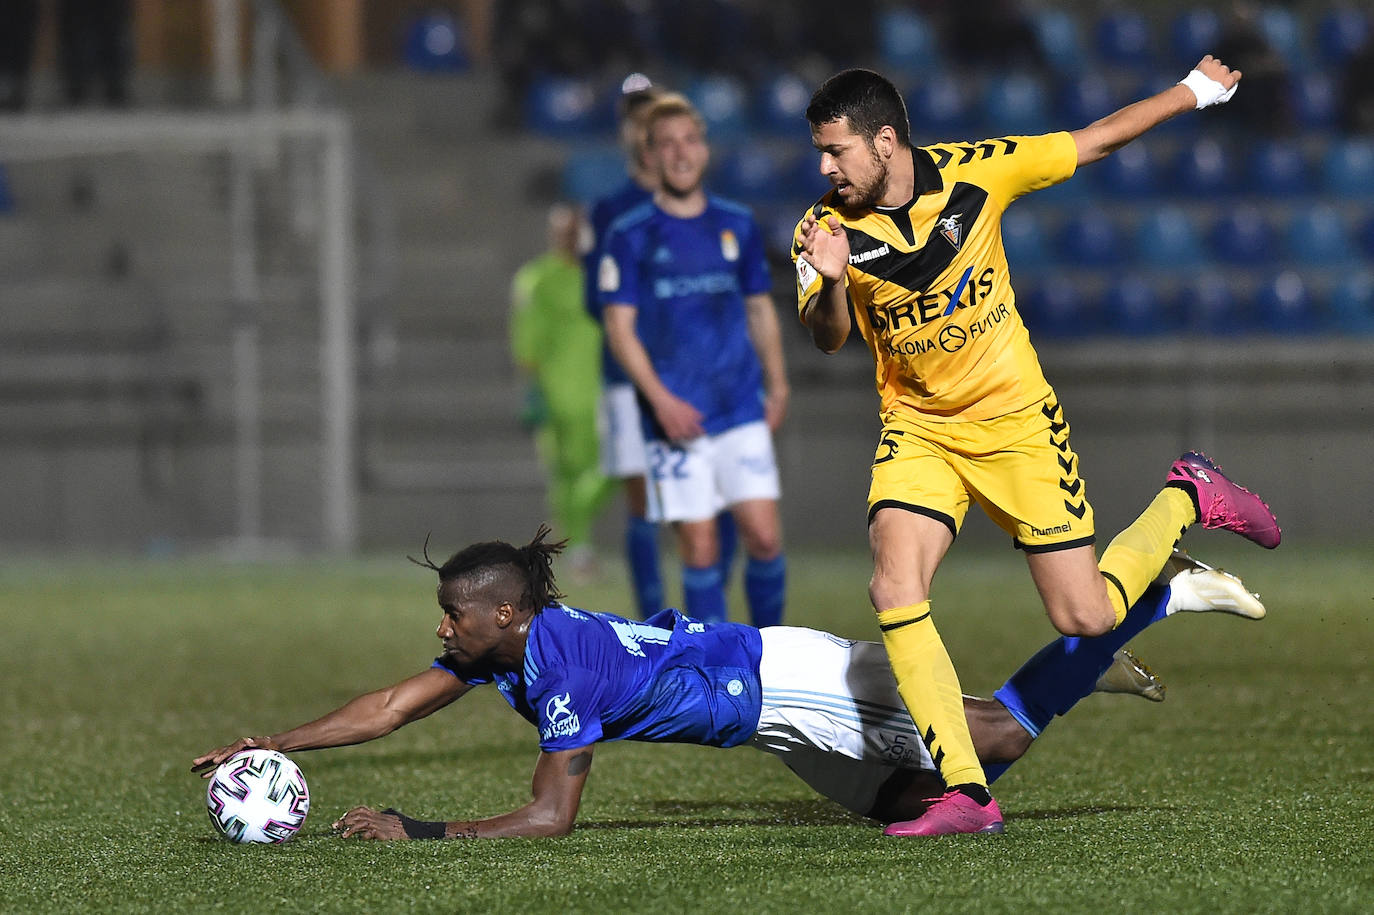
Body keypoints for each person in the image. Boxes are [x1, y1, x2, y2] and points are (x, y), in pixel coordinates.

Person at [792, 57, 1280, 835]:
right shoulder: (822, 229)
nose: (824, 168)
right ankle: (967, 792)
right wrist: (829, 280)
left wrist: (1192, 92)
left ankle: (1188, 493)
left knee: (1086, 615)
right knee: (894, 586)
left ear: (884, 142)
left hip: (1016, 425)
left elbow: (1093, 142)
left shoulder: (978, 174)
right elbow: (827, 338)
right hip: (921, 429)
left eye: (835, 150)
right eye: (820, 152)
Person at [190, 529, 1268, 839]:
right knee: (909, 806)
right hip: (767, 722)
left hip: (785, 680)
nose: (443, 629)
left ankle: (1156, 594)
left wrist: (419, 830)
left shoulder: (559, 666)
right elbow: (389, 706)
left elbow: (550, 819)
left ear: (505, 616)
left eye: (454, 615)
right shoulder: (508, 649)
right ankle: (1091, 656)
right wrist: (268, 741)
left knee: (997, 746)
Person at [599, 93, 790, 628]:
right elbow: (619, 328)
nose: (681, 153)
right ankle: (714, 664)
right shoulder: (630, 234)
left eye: (689, 141)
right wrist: (660, 402)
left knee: (764, 538)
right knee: (700, 547)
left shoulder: (737, 224)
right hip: (674, 419)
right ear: (650, 156)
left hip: (738, 405)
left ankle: (770, 655)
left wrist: (777, 385)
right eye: (667, 144)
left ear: (704, 150)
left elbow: (760, 309)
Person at [585, 75, 740, 620]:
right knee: (645, 504)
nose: (642, 128)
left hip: (702, 378)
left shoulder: (707, 210)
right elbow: (596, 299)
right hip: (630, 380)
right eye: (634, 118)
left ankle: (709, 614)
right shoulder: (610, 211)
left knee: (718, 498)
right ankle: (652, 622)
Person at [510, 203, 616, 575]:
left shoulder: (601, 276)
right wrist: (532, 390)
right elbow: (527, 338)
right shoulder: (537, 279)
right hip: (557, 392)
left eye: (575, 231)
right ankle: (579, 548)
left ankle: (574, 532)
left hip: (600, 389)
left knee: (612, 469)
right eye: (563, 232)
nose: (569, 239)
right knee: (564, 475)